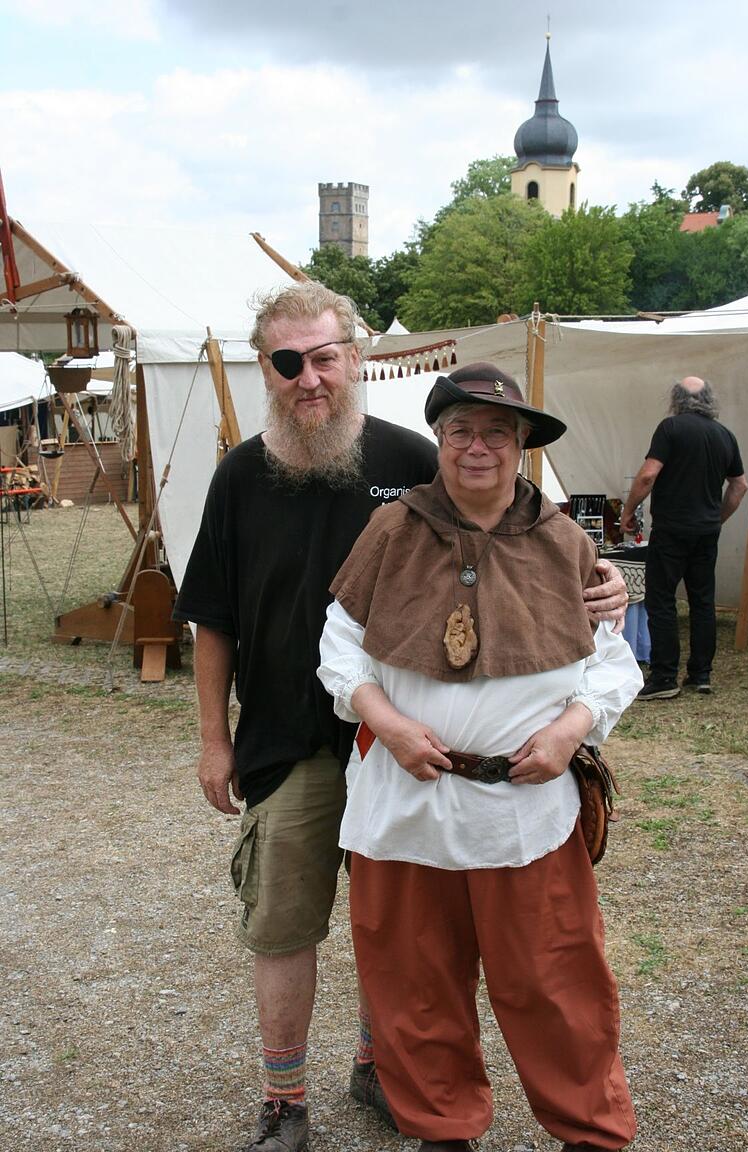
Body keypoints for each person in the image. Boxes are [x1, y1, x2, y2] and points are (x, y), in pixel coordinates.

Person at [173, 285, 630, 1152]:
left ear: (355, 357)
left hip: (456, 774)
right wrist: (215, 737)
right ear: (268, 371)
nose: (308, 378)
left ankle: (390, 1072)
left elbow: (515, 553)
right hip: (301, 740)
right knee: (307, 925)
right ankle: (287, 1099)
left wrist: (602, 589)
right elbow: (227, 619)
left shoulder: (415, 460)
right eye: (286, 362)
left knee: (445, 954)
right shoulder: (248, 477)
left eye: (323, 357)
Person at [318, 363, 642, 1152]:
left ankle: (589, 1134)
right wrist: (385, 721)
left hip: (526, 812)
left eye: (497, 431)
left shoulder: (566, 543)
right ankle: (441, 1132)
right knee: (414, 983)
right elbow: (338, 646)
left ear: (523, 443)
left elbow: (612, 664)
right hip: (405, 803)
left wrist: (571, 731)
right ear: (439, 439)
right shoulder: (391, 530)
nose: (477, 447)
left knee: (556, 982)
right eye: (460, 430)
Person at [620, 375, 748, 699]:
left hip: (672, 528)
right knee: (702, 601)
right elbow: (739, 486)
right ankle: (701, 674)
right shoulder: (725, 435)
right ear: (709, 401)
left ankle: (664, 677)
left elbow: (649, 474)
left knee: (661, 599)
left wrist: (628, 510)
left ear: (676, 399)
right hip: (706, 532)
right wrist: (717, 518)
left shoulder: (671, 429)